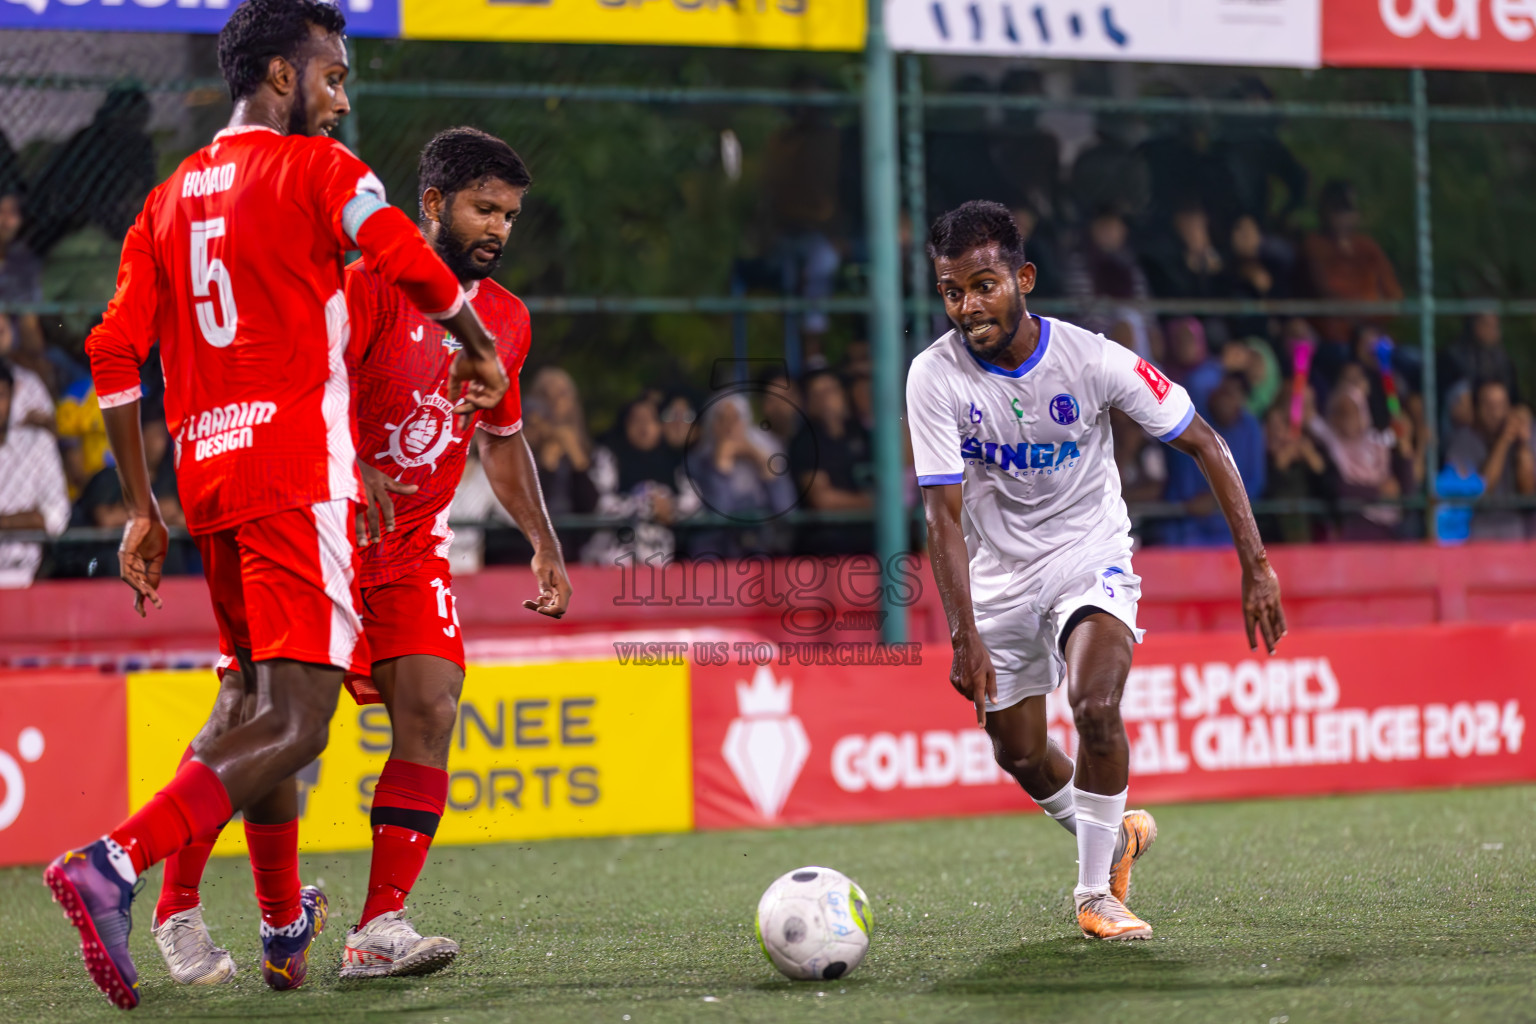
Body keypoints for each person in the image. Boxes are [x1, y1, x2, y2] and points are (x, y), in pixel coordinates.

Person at [46, 0, 509, 1009]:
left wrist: (137, 504)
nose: (341, 99)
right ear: (279, 76)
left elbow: (112, 353)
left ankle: (274, 919)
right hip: (297, 476)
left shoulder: (167, 200)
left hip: (207, 485)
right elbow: (399, 251)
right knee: (297, 726)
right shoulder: (317, 172)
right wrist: (476, 343)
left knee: (255, 709)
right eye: (333, 75)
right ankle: (114, 864)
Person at [144, 126, 568, 984]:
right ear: (435, 205)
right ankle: (176, 904)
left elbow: (502, 437)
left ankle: (378, 928)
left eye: (511, 215)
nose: (499, 228)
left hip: (410, 549)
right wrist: (353, 462)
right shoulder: (363, 288)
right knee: (258, 722)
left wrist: (544, 542)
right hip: (313, 531)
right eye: (485, 208)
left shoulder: (506, 323)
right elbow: (290, 387)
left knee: (433, 703)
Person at [907, 201, 1285, 941]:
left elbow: (1206, 442)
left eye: (984, 284)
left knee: (1094, 704)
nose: (968, 305)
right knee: (1017, 750)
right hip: (999, 577)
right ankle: (1113, 834)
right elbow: (942, 518)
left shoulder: (1092, 358)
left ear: (1024, 278)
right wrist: (964, 635)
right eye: (952, 291)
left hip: (1090, 552)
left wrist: (1258, 565)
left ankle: (1093, 896)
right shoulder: (933, 377)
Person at [1161, 373, 1266, 546]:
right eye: (1223, 392)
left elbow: (1255, 481)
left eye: (1232, 395)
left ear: (1242, 401)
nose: (1225, 400)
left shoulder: (1250, 427)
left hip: (1231, 524)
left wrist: (1217, 500)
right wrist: (1194, 504)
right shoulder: (1193, 420)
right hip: (1187, 524)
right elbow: (1182, 475)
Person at [1300, 180, 1403, 347]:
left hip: (1373, 334)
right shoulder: (1314, 246)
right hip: (1329, 338)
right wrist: (1366, 312)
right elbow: (1330, 294)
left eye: (1347, 209)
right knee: (1301, 343)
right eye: (1337, 209)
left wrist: (1372, 321)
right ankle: (1300, 374)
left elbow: (1394, 297)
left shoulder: (1368, 248)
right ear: (1323, 211)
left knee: (1407, 359)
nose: (1342, 216)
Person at [789, 368, 873, 555]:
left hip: (870, 538)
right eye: (817, 393)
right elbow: (823, 500)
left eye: (831, 390)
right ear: (808, 401)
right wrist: (871, 502)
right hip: (827, 544)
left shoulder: (861, 434)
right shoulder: (805, 441)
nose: (826, 399)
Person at [0, 362, 69, 587]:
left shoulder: (38, 444)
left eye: (0, 395)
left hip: (25, 578)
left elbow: (57, 517)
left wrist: (4, 522)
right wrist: (26, 519)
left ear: (12, 398)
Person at [1443, 379, 1535, 541]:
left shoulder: (1522, 437)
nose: (1495, 412)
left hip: (1516, 528)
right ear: (1476, 409)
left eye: (1501, 405)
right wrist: (1504, 440)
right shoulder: (1463, 441)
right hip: (1478, 528)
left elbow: (1528, 491)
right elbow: (1481, 491)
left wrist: (1523, 445)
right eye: (1489, 406)